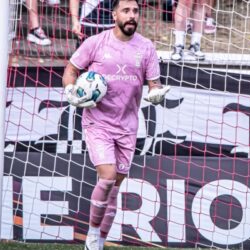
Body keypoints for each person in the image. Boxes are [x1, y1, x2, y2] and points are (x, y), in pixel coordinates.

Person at [62, 0, 170, 249]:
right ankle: (91, 234)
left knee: (114, 187)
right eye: (126, 11)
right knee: (108, 177)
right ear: (114, 15)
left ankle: (98, 242)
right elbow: (71, 70)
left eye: (135, 11)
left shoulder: (146, 47)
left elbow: (154, 84)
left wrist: (156, 94)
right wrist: (71, 90)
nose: (132, 16)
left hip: (128, 126)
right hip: (98, 122)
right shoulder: (96, 43)